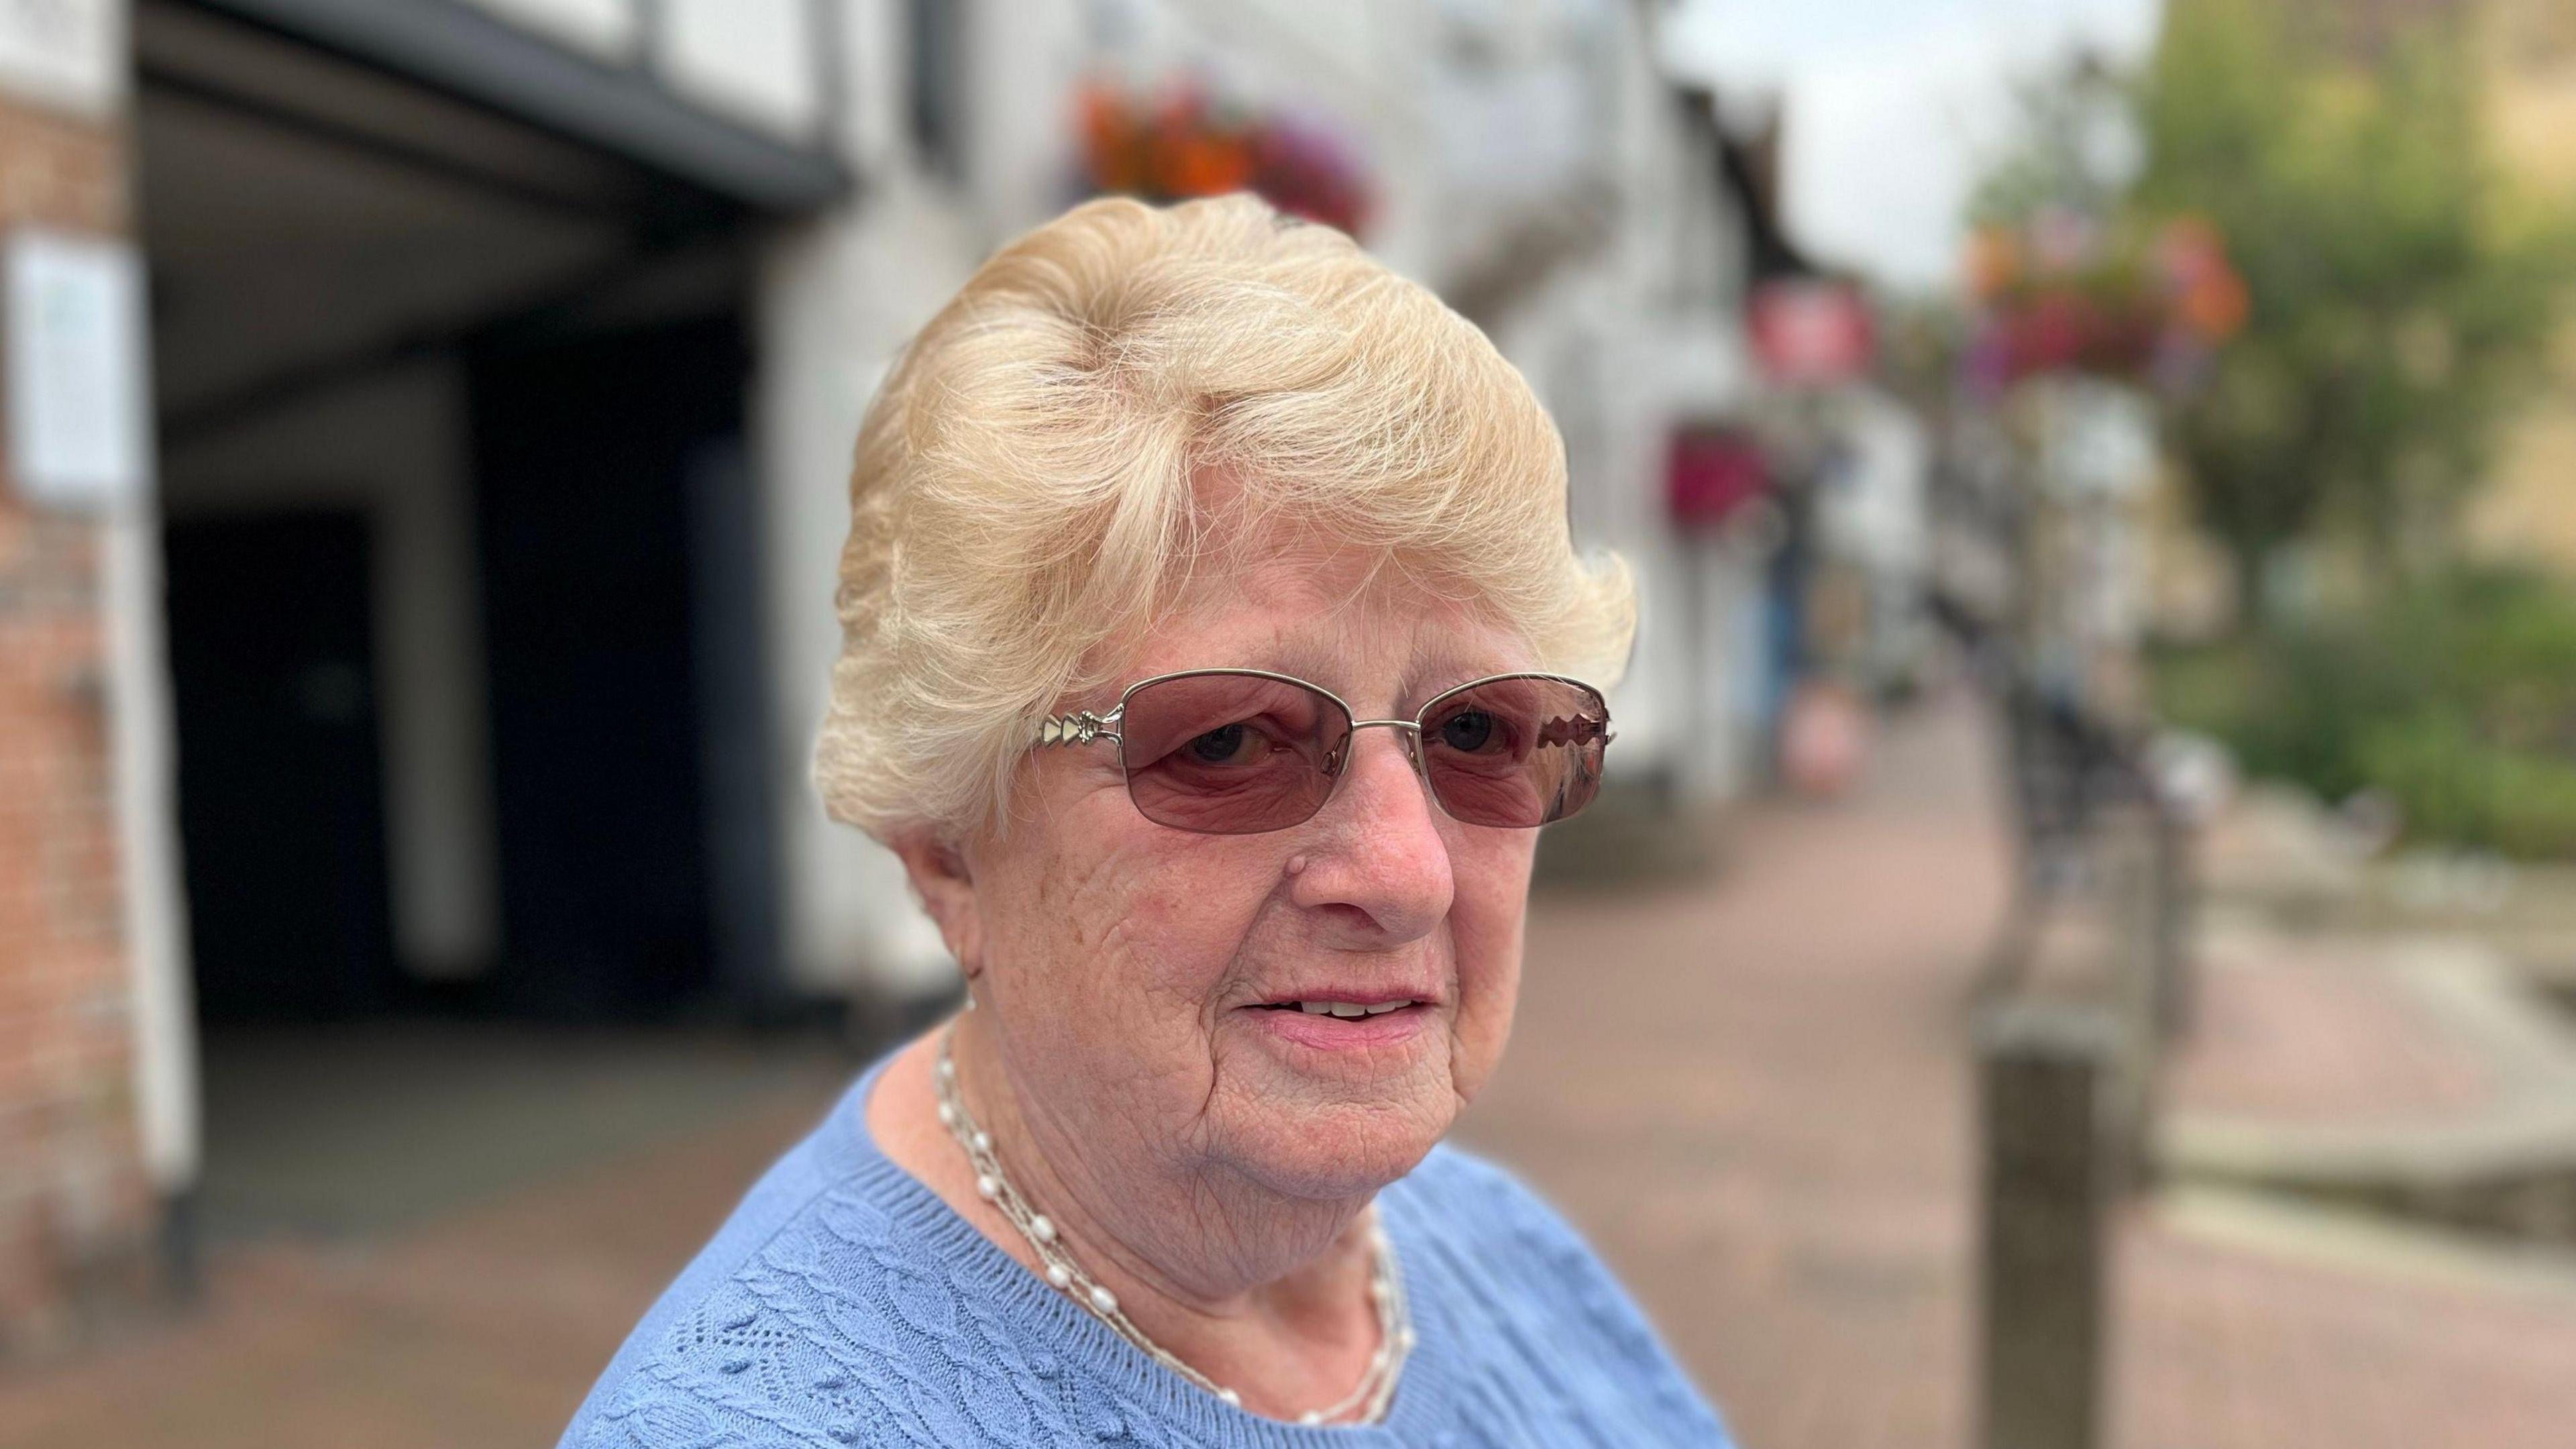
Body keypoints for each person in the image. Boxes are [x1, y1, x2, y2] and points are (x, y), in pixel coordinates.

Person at [558, 193, 1733, 1447]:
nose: (1407, 874)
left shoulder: (1500, 1246)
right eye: (1229, 742)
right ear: (948, 846)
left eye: (1476, 734)